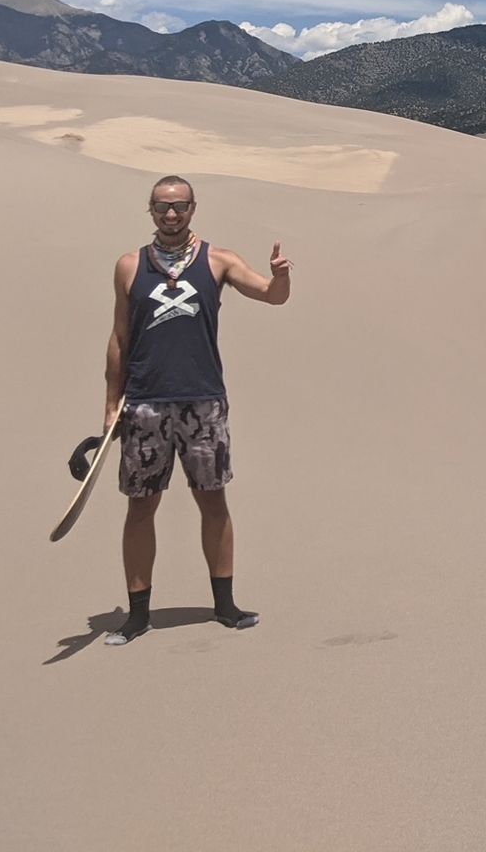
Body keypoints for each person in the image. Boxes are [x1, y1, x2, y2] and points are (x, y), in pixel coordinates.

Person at [101, 174, 291, 646]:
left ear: (193, 209)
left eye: (179, 206)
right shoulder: (129, 266)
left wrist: (281, 277)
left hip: (203, 401)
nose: (171, 214)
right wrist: (111, 405)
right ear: (150, 209)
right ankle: (138, 615)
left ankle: (225, 606)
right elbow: (120, 338)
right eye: (162, 206)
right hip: (145, 403)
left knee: (213, 503)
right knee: (141, 508)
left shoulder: (218, 260)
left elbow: (271, 295)